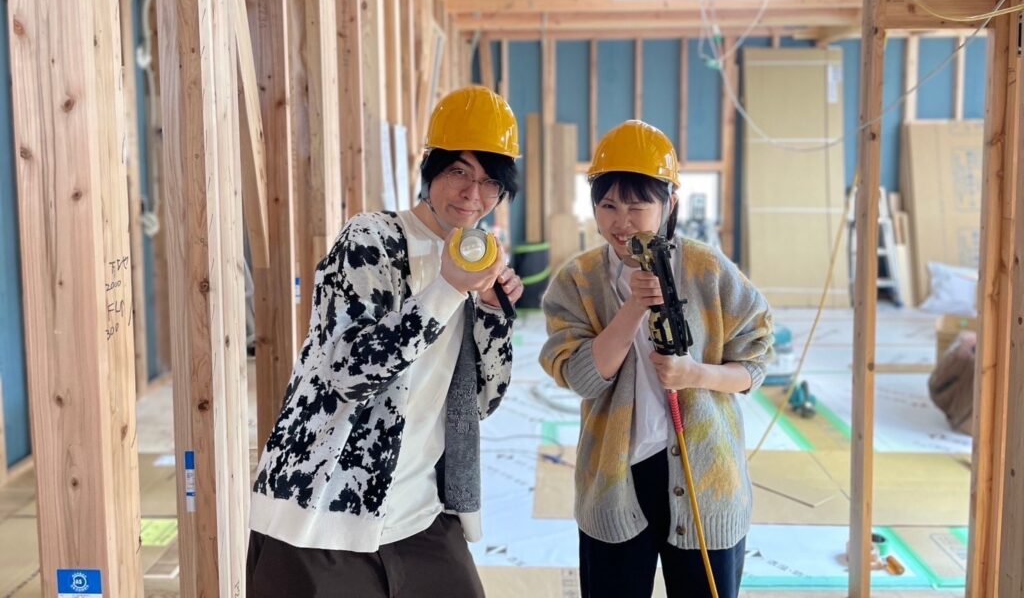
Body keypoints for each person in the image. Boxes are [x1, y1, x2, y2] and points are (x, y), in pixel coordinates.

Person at [247, 86, 524, 598]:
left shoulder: (476, 259)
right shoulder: (371, 238)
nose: (472, 194)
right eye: (458, 171)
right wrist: (448, 289)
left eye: (490, 182)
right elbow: (350, 372)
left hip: (419, 510)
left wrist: (490, 312)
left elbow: (481, 403)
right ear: (430, 170)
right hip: (321, 507)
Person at [539, 120, 774, 598]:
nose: (621, 222)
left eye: (637, 206)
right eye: (608, 205)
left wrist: (694, 373)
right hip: (615, 482)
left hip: (706, 481)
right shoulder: (577, 280)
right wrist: (633, 307)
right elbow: (582, 378)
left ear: (669, 204)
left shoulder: (708, 270)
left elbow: (755, 363)